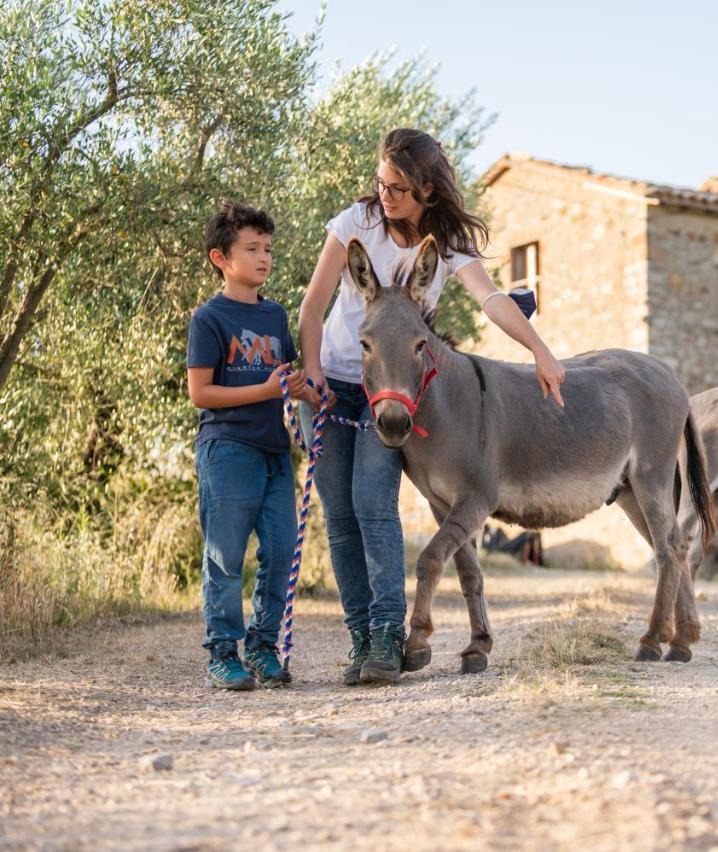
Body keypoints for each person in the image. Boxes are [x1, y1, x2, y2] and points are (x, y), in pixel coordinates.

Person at [297, 128, 567, 685]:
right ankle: (361, 637)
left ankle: (389, 634)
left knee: (373, 502)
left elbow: (490, 300)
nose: (385, 195)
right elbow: (312, 308)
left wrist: (540, 350)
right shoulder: (355, 223)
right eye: (381, 183)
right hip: (334, 388)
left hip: (392, 392)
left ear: (426, 189)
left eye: (397, 187)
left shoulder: (446, 242)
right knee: (341, 519)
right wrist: (315, 376)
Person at [187, 202, 308, 689]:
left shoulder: (276, 317)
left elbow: (288, 378)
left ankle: (262, 647)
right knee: (226, 556)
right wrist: (267, 390)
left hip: (275, 452)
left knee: (280, 551)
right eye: (252, 249)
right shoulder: (209, 319)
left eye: (268, 249)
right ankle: (222, 652)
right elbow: (201, 393)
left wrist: (302, 388)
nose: (264, 258)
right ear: (221, 257)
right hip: (227, 448)